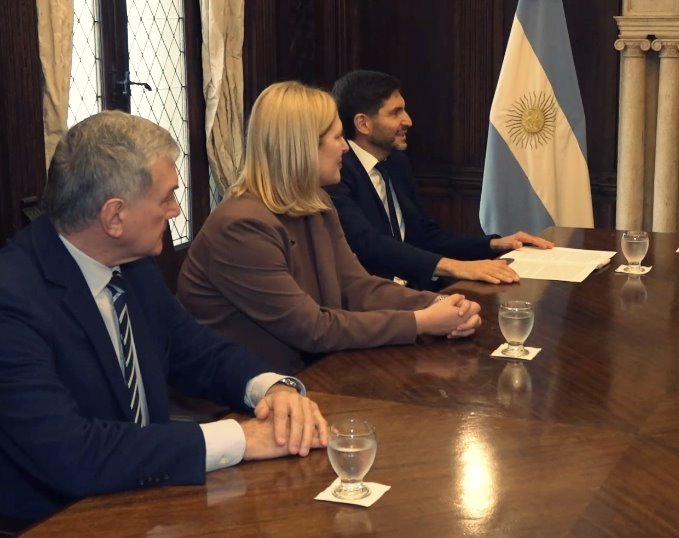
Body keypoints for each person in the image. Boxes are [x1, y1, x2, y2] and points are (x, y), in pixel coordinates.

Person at [0, 111, 328, 525]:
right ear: (114, 216)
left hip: (151, 500)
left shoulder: (131, 266)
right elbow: (70, 452)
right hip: (63, 520)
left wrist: (271, 390)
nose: (176, 210)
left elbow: (197, 352)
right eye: (167, 197)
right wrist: (240, 438)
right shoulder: (13, 299)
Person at [177, 81, 482, 373]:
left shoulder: (316, 201)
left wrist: (445, 305)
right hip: (243, 402)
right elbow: (313, 329)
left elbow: (356, 288)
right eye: (337, 137)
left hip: (314, 374)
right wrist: (422, 321)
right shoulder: (241, 226)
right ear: (302, 147)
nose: (346, 148)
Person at [325, 70, 554, 291]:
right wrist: (457, 268)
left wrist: (494, 245)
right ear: (363, 123)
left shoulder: (396, 164)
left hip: (417, 288)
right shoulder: (336, 172)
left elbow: (426, 236)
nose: (408, 121)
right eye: (395, 113)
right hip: (372, 298)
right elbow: (368, 244)